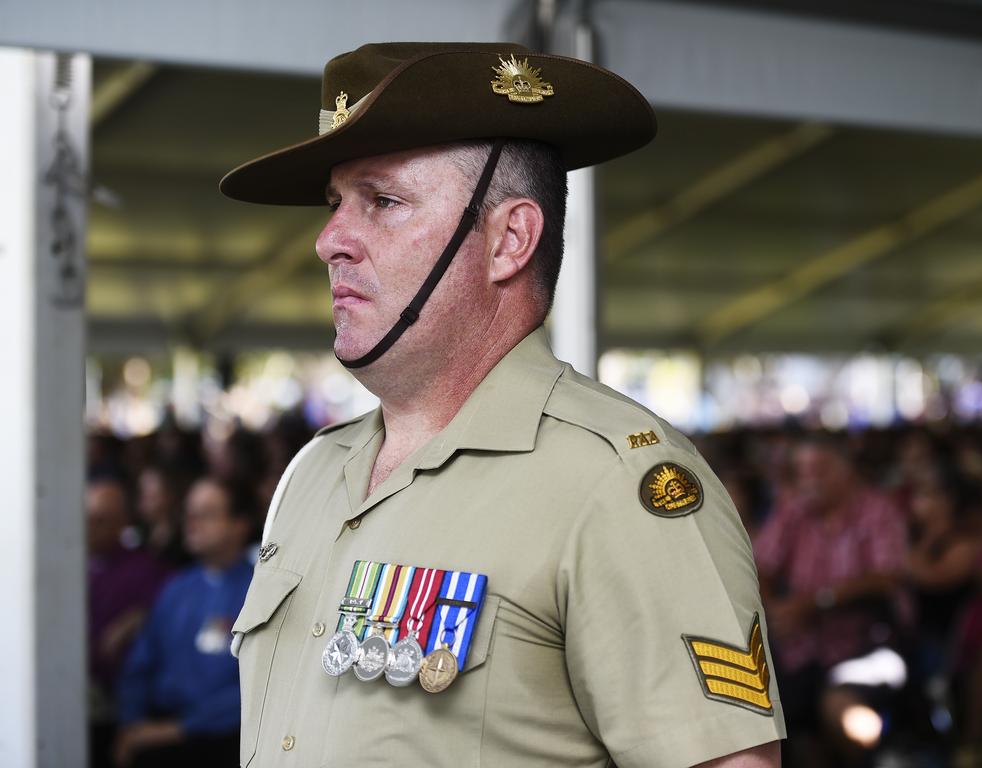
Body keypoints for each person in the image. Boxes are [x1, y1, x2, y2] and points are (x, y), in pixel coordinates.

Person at [222, 42, 785, 767]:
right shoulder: (312, 474)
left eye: (383, 201)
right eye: (336, 205)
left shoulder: (611, 482)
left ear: (509, 239)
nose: (331, 239)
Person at [754, 436, 907, 767]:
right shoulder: (793, 510)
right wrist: (775, 610)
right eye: (802, 472)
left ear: (846, 469)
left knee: (841, 709)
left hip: (869, 646)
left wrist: (816, 602)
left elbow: (887, 577)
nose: (810, 480)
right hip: (800, 648)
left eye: (820, 470)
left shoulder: (876, 510)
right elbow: (760, 564)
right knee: (772, 714)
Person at [115, 477, 255, 767]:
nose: (192, 522)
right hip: (158, 733)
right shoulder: (176, 588)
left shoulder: (258, 593)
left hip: (226, 741)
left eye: (206, 514)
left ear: (240, 525)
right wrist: (132, 722)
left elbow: (256, 688)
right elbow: (140, 664)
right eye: (189, 513)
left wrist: (180, 729)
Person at [88, 476, 170, 768]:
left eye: (101, 520)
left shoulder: (146, 570)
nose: (90, 528)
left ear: (123, 522)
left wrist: (139, 616)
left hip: (119, 695)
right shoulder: (67, 563)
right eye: (86, 518)